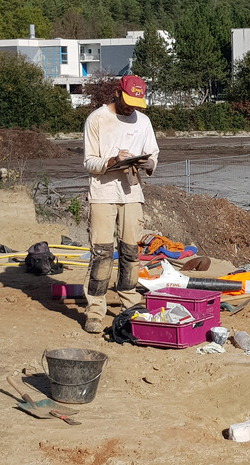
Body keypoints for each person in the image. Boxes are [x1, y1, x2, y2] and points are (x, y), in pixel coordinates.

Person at [83, 75, 159, 333]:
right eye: (128, 101)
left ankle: (130, 302)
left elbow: (153, 155)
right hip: (103, 192)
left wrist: (147, 163)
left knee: (130, 251)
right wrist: (112, 160)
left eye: (136, 103)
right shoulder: (97, 119)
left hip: (131, 192)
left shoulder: (143, 121)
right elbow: (89, 162)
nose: (131, 108)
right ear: (117, 93)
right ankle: (95, 309)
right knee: (102, 252)